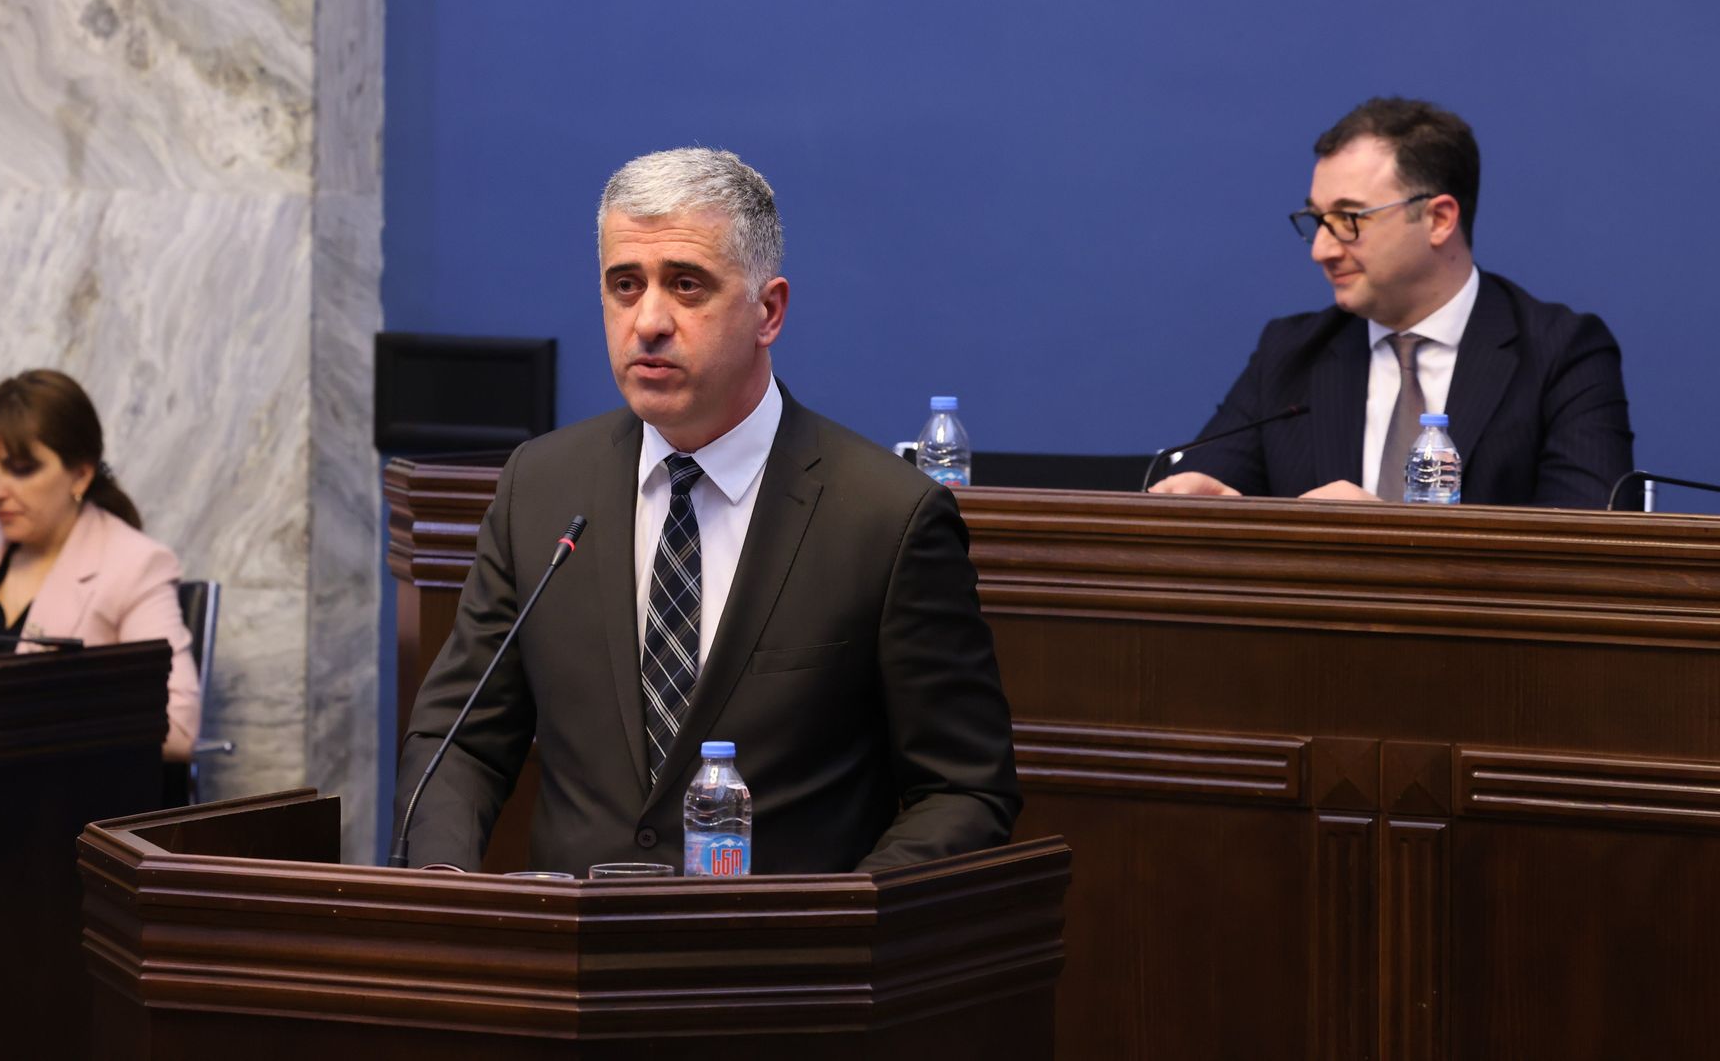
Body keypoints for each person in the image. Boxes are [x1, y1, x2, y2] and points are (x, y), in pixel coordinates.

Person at [396, 148, 1021, 875]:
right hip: (573, 939)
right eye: (625, 285)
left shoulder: (886, 518)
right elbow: (458, 741)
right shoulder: (539, 489)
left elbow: (964, 790)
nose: (648, 321)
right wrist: (445, 890)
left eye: (686, 285)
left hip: (782, 945)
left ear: (768, 311)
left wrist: (842, 920)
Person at [1150, 98, 1632, 507]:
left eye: (1349, 219)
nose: (1322, 250)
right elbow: (1210, 484)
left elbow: (1587, 548)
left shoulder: (1560, 353)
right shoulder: (1291, 354)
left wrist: (1386, 541)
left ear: (1439, 219)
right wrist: (1195, 500)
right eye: (1317, 221)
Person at [0, 370, 201, 761]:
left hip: (60, 790)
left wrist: (52, 711)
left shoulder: (135, 565)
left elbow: (180, 727)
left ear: (80, 475)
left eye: (20, 468)